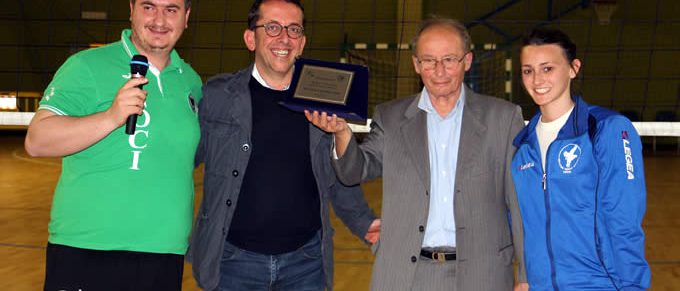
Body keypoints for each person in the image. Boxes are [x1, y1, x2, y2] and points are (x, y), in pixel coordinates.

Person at [307, 17, 527, 291]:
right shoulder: (390, 117)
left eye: (449, 59)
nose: (439, 71)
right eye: (429, 60)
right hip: (406, 276)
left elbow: (520, 204)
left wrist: (526, 275)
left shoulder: (504, 119)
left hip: (483, 275)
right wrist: (341, 133)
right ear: (415, 64)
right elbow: (355, 171)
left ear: (467, 61)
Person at [186, 0, 380, 290]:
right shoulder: (217, 96)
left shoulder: (323, 100)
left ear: (302, 43)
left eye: (293, 29)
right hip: (233, 262)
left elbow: (335, 176)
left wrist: (364, 222)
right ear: (251, 38)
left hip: (306, 262)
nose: (284, 38)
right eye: (273, 27)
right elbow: (182, 159)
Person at [24, 0, 200, 290]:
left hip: (164, 253)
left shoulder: (190, 82)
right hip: (88, 249)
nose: (159, 19)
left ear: (186, 17)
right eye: (148, 7)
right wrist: (111, 117)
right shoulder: (87, 66)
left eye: (171, 9)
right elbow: (37, 140)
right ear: (131, 10)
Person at [511, 27, 651, 290]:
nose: (537, 79)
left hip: (600, 284)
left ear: (573, 68)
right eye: (528, 70)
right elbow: (520, 225)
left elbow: (624, 221)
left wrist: (632, 286)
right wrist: (524, 276)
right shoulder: (522, 148)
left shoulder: (607, 129)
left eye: (547, 68)